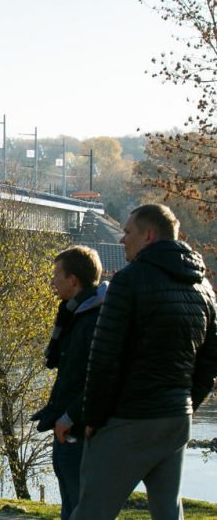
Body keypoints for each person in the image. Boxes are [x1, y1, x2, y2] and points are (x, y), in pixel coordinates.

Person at [71, 204, 217, 520]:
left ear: (148, 235)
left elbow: (104, 356)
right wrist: (186, 402)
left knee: (93, 510)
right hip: (176, 418)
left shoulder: (129, 281)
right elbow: (209, 362)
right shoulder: (203, 288)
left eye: (127, 232)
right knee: (167, 512)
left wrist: (91, 417)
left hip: (130, 418)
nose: (122, 240)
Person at [30, 246, 107, 520]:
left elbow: (98, 377)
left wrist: (69, 416)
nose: (52, 281)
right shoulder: (75, 313)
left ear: (73, 280)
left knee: (79, 506)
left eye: (56, 275)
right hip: (68, 423)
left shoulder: (92, 318)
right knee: (72, 502)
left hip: (77, 427)